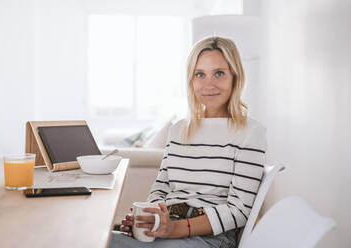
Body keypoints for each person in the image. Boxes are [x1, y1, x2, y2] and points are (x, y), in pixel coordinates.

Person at [109, 36, 267, 248]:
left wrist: (175, 229)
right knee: (96, 240)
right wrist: (149, 219)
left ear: (235, 77)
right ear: (191, 80)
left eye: (219, 73)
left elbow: (239, 211)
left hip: (210, 238)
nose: (208, 84)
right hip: (166, 230)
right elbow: (160, 188)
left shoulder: (250, 132)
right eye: (199, 74)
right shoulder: (178, 130)